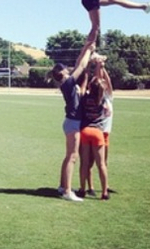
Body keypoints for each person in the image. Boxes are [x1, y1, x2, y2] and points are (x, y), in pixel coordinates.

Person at [50, 39, 96, 202]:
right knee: (72, 157)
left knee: (69, 156)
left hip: (71, 122)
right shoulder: (68, 82)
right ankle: (68, 192)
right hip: (73, 122)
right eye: (66, 69)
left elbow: (79, 64)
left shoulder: (68, 82)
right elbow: (81, 66)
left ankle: (63, 186)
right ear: (62, 73)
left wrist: (86, 48)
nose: (69, 70)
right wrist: (89, 50)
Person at [77, 59, 111, 200]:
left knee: (84, 163)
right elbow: (103, 83)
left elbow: (82, 89)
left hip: (85, 131)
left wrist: (86, 73)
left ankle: (82, 189)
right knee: (101, 164)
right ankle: (104, 192)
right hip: (98, 132)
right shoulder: (102, 99)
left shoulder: (85, 98)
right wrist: (100, 66)